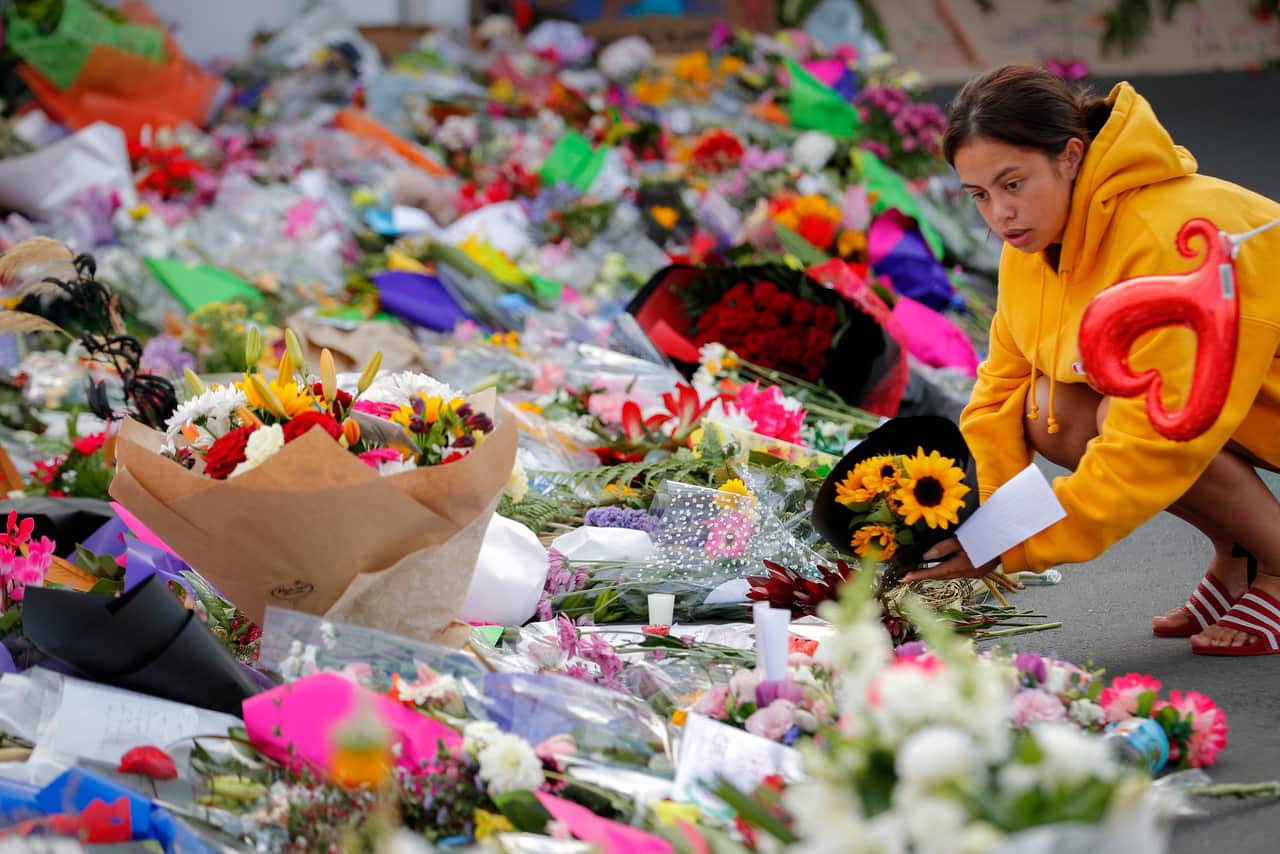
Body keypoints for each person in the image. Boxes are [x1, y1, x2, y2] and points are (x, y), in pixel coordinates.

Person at [902, 64, 1280, 656]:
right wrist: (983, 522)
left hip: (1240, 404)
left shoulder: (1168, 236)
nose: (999, 213)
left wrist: (1016, 545)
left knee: (1127, 416)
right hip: (1244, 402)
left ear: (1072, 156)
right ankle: (1240, 558)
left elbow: (1162, 438)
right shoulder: (1031, 244)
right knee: (1049, 406)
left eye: (1013, 183)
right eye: (979, 195)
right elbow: (999, 393)